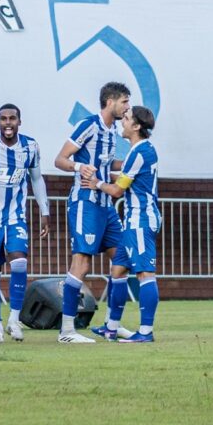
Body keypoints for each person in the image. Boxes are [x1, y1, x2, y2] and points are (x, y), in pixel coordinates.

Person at [52, 81, 132, 343]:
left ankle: (112, 324)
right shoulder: (89, 124)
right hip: (85, 202)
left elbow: (107, 166)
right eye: (124, 102)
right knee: (82, 263)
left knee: (122, 260)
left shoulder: (112, 132)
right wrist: (78, 168)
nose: (127, 108)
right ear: (110, 101)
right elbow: (60, 159)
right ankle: (66, 331)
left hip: (106, 205)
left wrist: (135, 164)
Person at [0, 104, 51, 344]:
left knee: (19, 262)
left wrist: (44, 211)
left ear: (19, 121)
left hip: (15, 217)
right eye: (3, 119)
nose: (7, 123)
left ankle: (14, 320)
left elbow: (36, 179)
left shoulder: (30, 146)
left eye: (12, 118)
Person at [86, 105, 159, 342]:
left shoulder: (139, 152)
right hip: (133, 220)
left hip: (141, 219)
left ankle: (145, 332)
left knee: (145, 274)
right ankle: (111, 326)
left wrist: (96, 182)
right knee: (117, 271)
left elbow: (117, 191)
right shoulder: (141, 150)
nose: (122, 122)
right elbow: (126, 178)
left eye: (127, 119)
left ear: (137, 126)